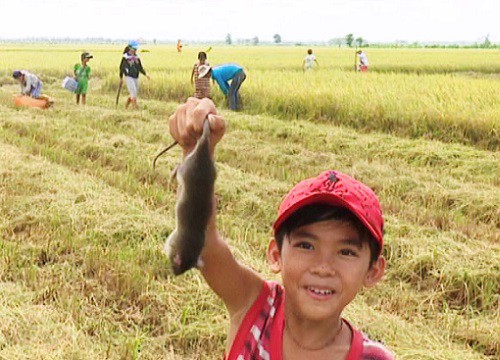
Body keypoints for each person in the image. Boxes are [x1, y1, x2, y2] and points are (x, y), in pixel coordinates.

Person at [168, 98, 395, 360]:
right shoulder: (253, 307)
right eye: (306, 245)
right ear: (276, 254)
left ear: (373, 271)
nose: (323, 266)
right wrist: (197, 154)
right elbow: (203, 244)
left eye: (346, 252)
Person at [119, 41, 150, 109]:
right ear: (130, 48)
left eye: (136, 48)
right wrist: (121, 78)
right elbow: (121, 68)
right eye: (134, 48)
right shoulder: (125, 57)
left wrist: (145, 74)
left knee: (135, 93)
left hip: (136, 76)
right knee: (133, 92)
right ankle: (135, 108)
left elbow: (140, 67)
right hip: (128, 76)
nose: (135, 50)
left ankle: (126, 107)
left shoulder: (137, 57)